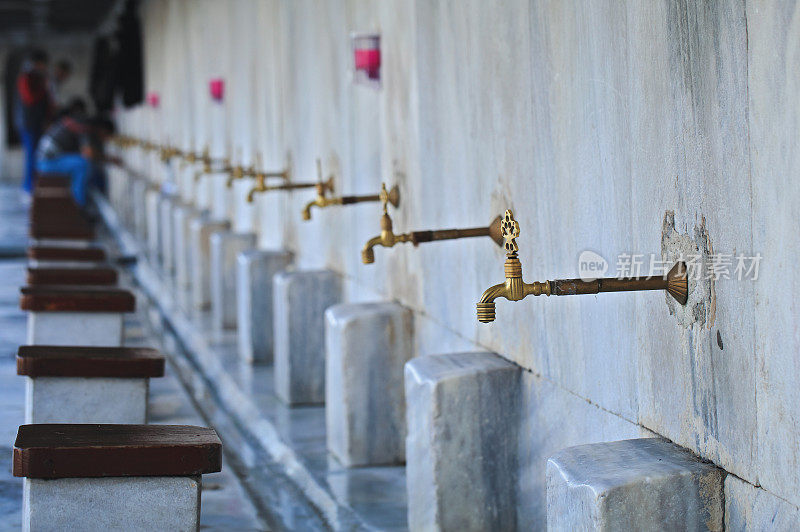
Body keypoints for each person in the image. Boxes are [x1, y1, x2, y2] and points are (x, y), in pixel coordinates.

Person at [36, 111, 117, 206]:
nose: (105, 139)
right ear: (102, 129)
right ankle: (79, 206)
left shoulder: (80, 122)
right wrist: (110, 159)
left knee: (85, 164)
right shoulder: (83, 127)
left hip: (46, 161)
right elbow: (88, 153)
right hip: (47, 163)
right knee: (83, 164)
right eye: (106, 135)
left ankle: (83, 202)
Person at [16, 49, 54, 194]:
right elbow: (29, 99)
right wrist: (43, 89)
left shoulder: (39, 77)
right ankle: (29, 187)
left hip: (37, 122)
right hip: (28, 123)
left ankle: (34, 184)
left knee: (37, 154)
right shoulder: (25, 78)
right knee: (31, 154)